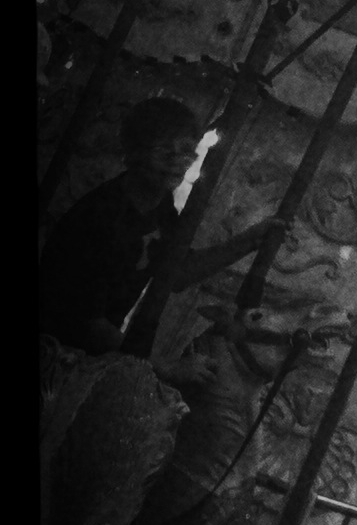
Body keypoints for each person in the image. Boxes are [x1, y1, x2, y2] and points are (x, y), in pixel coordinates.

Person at [39, 98, 285, 354]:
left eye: (186, 151)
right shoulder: (100, 216)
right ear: (135, 153)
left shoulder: (162, 211)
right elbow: (87, 323)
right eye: (164, 151)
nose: (177, 161)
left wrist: (249, 241)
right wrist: (149, 367)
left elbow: (176, 272)